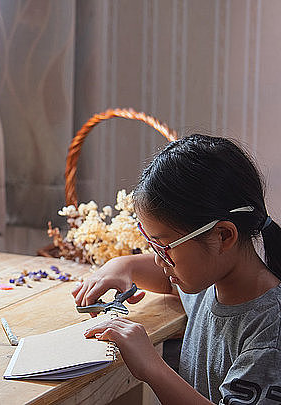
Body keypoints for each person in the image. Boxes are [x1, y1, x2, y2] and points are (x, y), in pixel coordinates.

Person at [72, 134, 281, 404]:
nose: (159, 261)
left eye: (165, 247)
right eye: (153, 245)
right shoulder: (210, 281)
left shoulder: (270, 332)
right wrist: (122, 265)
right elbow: (168, 279)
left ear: (223, 237)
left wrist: (152, 367)